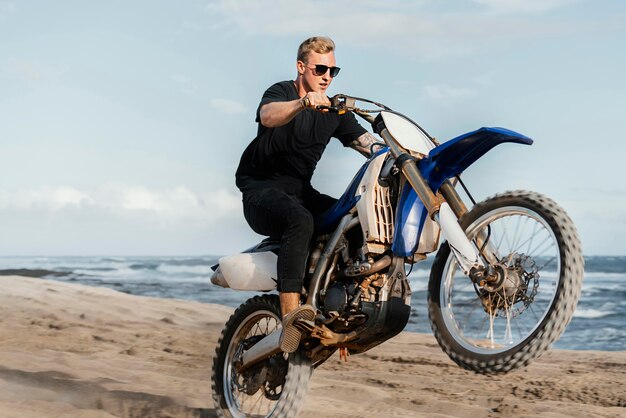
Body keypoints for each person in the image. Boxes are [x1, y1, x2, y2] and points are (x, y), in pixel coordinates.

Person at [235, 36, 378, 353]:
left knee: (353, 217)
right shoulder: (283, 92)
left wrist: (400, 152)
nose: (327, 76)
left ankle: (338, 315)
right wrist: (302, 103)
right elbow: (268, 115)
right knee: (300, 221)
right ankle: (290, 320)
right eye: (320, 68)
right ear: (301, 67)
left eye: (333, 69)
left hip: (301, 191)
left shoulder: (332, 112)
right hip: (261, 190)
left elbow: (367, 144)